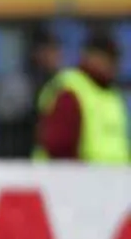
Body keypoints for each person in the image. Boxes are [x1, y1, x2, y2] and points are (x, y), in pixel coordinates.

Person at [33, 26, 128, 164]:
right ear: (91, 56)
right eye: (109, 58)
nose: (114, 65)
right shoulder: (70, 90)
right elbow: (59, 147)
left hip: (112, 181)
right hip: (81, 181)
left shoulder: (113, 96)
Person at [0, 23, 61, 158]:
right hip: (20, 161)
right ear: (39, 52)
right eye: (53, 50)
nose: (57, 56)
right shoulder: (19, 84)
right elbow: (7, 131)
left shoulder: (59, 81)